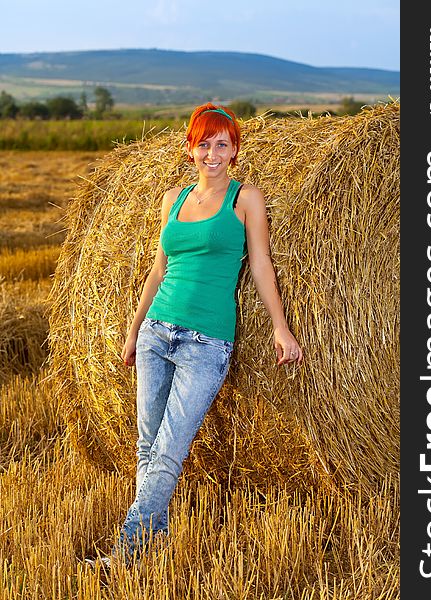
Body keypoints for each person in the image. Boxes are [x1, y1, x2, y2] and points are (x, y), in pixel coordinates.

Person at [86, 102, 302, 569]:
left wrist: (280, 328)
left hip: (206, 343)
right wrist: (133, 330)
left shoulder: (246, 199)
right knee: (147, 445)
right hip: (156, 332)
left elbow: (261, 265)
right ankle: (154, 539)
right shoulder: (173, 199)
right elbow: (157, 270)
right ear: (190, 150)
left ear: (235, 151)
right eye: (203, 143)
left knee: (168, 450)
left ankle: (125, 553)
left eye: (221, 143)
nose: (212, 152)